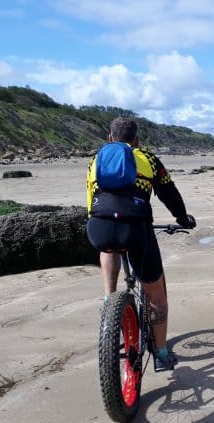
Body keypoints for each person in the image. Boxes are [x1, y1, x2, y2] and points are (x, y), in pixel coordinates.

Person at [86, 117, 196, 372]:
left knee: (107, 246)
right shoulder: (147, 158)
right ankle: (161, 353)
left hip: (99, 227)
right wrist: (182, 218)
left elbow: (91, 200)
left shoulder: (96, 160)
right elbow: (169, 192)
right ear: (137, 139)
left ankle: (109, 297)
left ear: (110, 137)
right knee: (156, 297)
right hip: (136, 229)